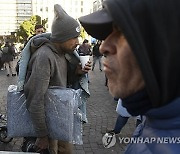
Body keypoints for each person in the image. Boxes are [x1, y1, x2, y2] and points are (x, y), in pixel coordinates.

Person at [79, 0, 180, 153]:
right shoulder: (154, 118)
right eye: (109, 34)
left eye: (122, 32)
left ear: (164, 44)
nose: (103, 47)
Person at [23, 4, 91, 154]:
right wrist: (42, 135)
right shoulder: (44, 56)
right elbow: (35, 99)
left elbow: (59, 82)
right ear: (61, 37)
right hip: (49, 129)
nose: (78, 42)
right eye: (74, 37)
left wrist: (77, 72)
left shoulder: (61, 53)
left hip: (59, 121)